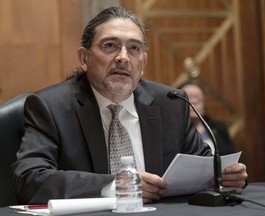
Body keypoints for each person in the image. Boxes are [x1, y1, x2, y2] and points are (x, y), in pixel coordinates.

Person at [11, 6, 247, 205]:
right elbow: (30, 179)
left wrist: (223, 177)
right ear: (84, 58)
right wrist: (117, 184)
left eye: (134, 48)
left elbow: (203, 167)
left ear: (142, 62)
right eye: (110, 45)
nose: (123, 57)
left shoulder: (170, 103)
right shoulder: (51, 107)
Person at [180, 80, 235, 155]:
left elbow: (231, 155)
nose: (193, 102)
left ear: (204, 102)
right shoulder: (172, 132)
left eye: (197, 98)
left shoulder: (218, 128)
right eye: (188, 98)